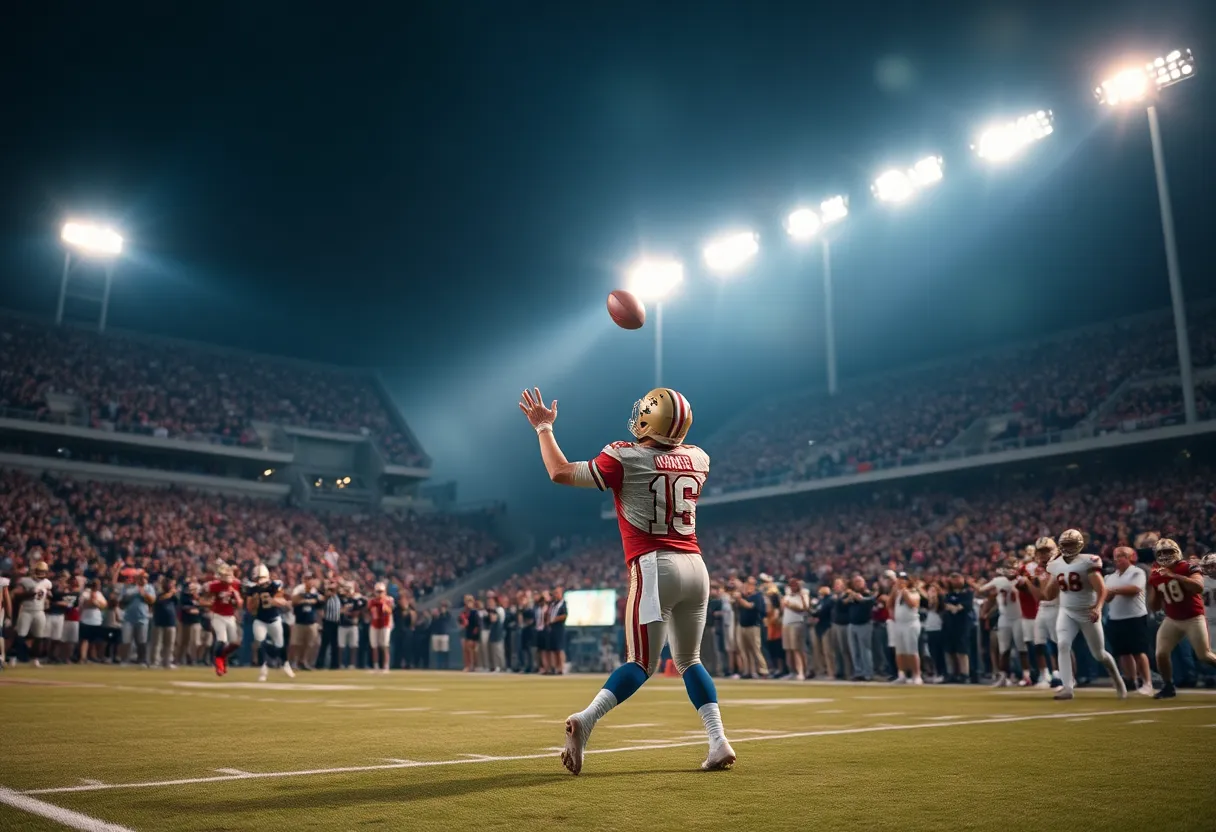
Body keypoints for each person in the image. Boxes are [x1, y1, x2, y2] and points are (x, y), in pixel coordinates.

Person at [518, 386, 734, 774]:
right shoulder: (699, 458)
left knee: (640, 662)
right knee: (690, 660)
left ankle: (585, 720)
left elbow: (559, 472)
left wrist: (544, 429)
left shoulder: (624, 456)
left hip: (655, 565)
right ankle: (718, 740)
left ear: (653, 419)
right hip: (696, 567)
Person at [1041, 529, 1126, 701]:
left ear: (1080, 545)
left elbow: (1101, 589)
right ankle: (1067, 688)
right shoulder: (1055, 564)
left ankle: (1118, 680)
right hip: (1067, 611)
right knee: (1063, 644)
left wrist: (1098, 608)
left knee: (1099, 654)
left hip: (1087, 611)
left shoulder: (1088, 561)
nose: (1068, 548)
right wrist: (1052, 576)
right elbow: (1049, 595)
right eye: (1065, 545)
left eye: (1071, 544)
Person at [1147, 538, 1216, 699]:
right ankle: (1168, 686)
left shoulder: (1186, 567)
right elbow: (1155, 606)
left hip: (1193, 617)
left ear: (1176, 551)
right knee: (1161, 653)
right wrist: (1153, 586)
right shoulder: (1156, 571)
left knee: (1204, 655)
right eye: (1161, 552)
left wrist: (1174, 575)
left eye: (1168, 552)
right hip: (1172, 618)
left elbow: (1198, 587)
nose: (1164, 555)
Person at [1104, 546, 1153, 696]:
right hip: (1116, 616)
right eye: (1116, 556)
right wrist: (1111, 593)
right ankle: (1131, 681)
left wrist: (1114, 591)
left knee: (1139, 651)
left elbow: (1135, 589)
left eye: (1122, 556)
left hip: (1135, 616)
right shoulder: (1109, 577)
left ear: (1131, 557)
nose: (1118, 559)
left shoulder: (1137, 572)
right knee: (1123, 652)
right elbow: (1106, 596)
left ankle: (1147, 683)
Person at [977, 559, 1029, 687]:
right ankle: (1003, 676)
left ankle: (1026, 676)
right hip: (1004, 617)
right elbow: (981, 590)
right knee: (1003, 649)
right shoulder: (998, 581)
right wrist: (978, 585)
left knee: (1021, 647)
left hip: (1019, 617)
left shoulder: (1021, 580)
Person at [247, 564, 294, 681]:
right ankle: (263, 669)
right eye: (256, 579)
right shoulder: (252, 588)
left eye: (260, 578)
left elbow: (282, 600)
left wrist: (274, 601)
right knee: (259, 642)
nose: (258, 581)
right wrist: (254, 604)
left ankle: (285, 664)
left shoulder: (275, 585)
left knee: (280, 646)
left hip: (274, 619)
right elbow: (249, 608)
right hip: (260, 620)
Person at [1026, 538, 1062, 688]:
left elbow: (1046, 594)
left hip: (1058, 607)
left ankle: (1066, 675)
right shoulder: (1039, 569)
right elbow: (1039, 598)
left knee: (1060, 644)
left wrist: (1028, 582)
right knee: (1039, 643)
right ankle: (1045, 675)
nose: (1043, 555)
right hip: (1043, 608)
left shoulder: (1059, 566)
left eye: (1046, 551)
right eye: (1041, 552)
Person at [203, 563, 242, 676]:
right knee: (222, 640)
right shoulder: (214, 585)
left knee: (235, 643)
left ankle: (222, 656)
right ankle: (219, 665)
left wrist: (236, 597)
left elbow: (239, 604)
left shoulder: (236, 584)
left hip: (230, 616)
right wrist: (208, 603)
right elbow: (204, 599)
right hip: (218, 616)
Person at [889, 572, 922, 684]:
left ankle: (916, 675)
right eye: (899, 579)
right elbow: (889, 604)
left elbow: (913, 604)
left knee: (912, 650)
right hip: (899, 624)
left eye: (903, 580)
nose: (901, 581)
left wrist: (905, 592)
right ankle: (902, 674)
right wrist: (893, 592)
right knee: (900, 651)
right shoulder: (897, 593)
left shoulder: (913, 592)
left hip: (911, 623)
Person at [781, 578, 810, 681]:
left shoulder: (803, 594)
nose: (792, 587)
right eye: (791, 585)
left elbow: (804, 608)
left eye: (794, 585)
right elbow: (782, 608)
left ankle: (801, 671)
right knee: (788, 649)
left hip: (797, 623)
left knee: (797, 649)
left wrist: (789, 604)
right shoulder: (787, 595)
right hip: (786, 623)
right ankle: (791, 671)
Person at [368, 582, 395, 673]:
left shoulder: (388, 600)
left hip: (385, 624)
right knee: (374, 646)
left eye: (381, 591)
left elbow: (390, 610)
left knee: (385, 645)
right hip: (375, 624)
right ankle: (376, 665)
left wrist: (385, 607)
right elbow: (369, 612)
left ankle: (386, 665)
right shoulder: (372, 601)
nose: (379, 594)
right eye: (378, 591)